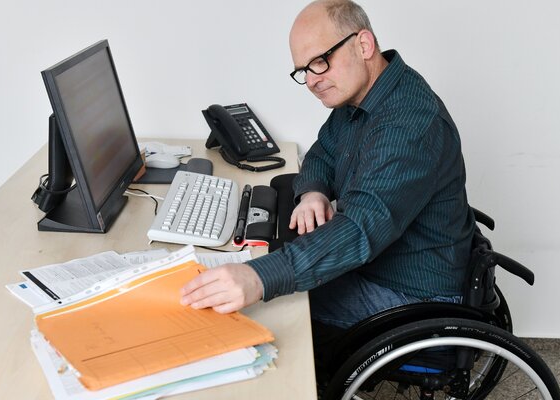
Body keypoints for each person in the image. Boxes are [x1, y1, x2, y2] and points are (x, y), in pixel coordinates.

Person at [181, 0, 474, 332]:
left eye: (320, 62)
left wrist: (258, 278)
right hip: (376, 265)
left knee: (273, 305)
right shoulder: (362, 96)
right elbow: (322, 155)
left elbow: (358, 229)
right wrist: (313, 192)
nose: (311, 81)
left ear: (364, 45)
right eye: (303, 70)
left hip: (413, 294)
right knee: (273, 272)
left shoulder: (407, 124)